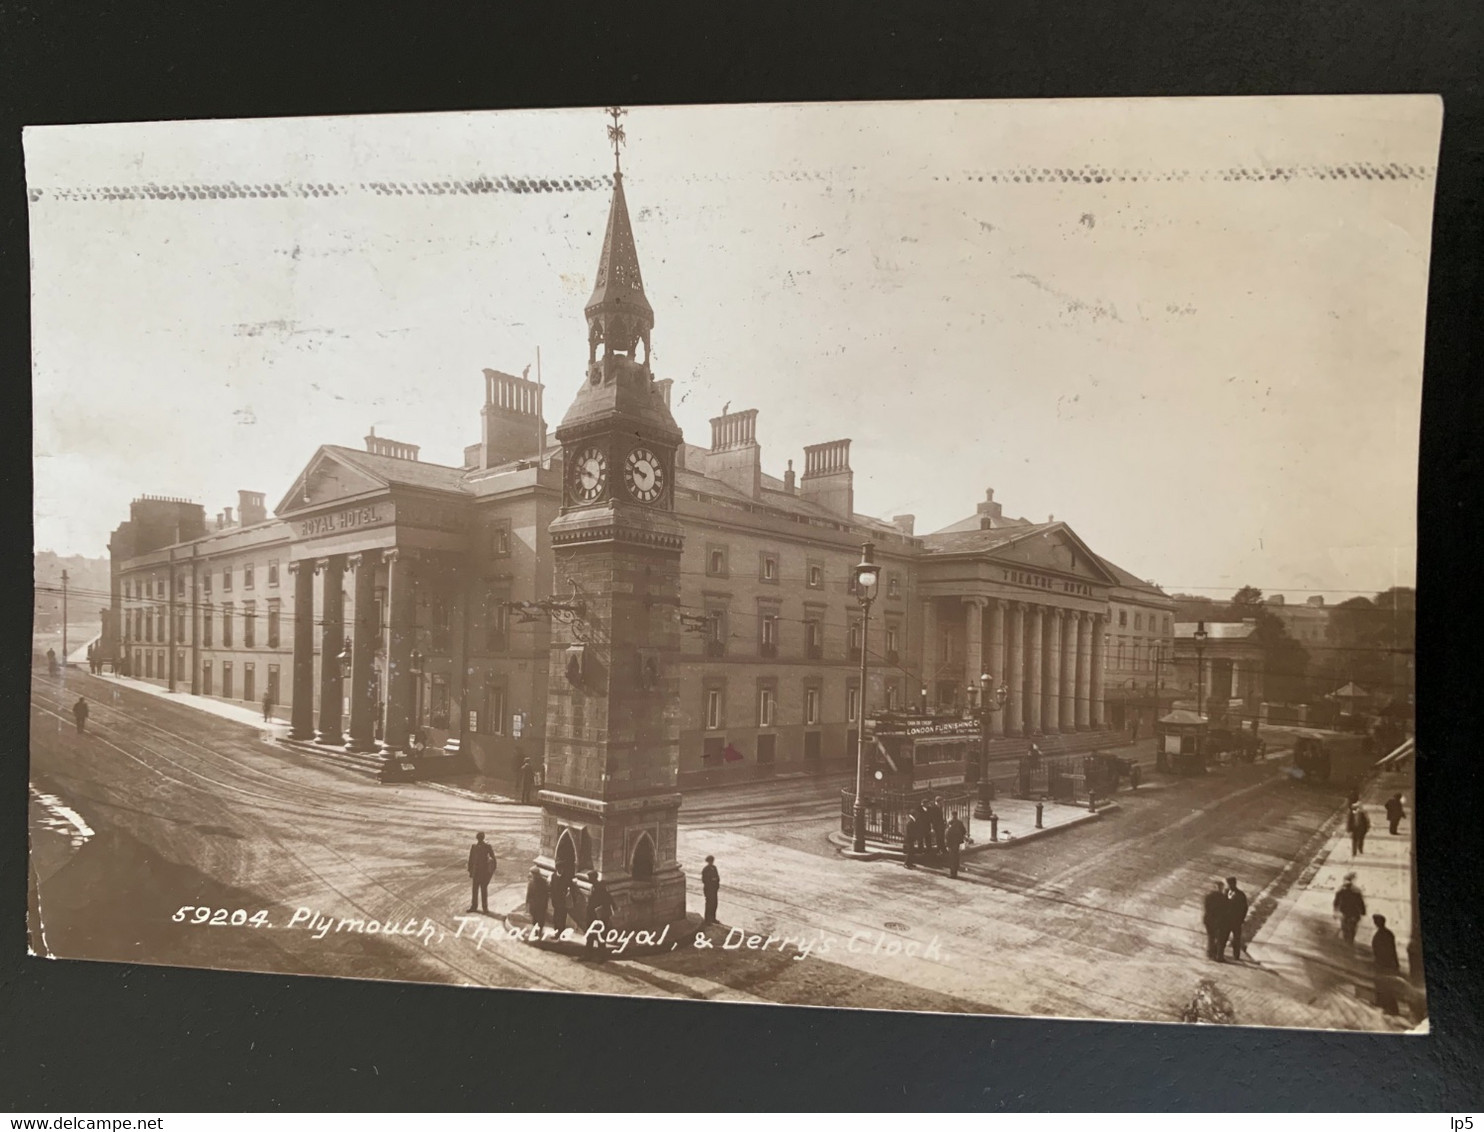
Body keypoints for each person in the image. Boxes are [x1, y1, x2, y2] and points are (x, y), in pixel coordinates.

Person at [1371, 913, 1401, 1015]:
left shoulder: (1379, 935)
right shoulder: (1389, 933)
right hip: (1388, 963)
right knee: (1388, 985)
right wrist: (1396, 963)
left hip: (1382, 964)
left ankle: (1386, 1006)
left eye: (1375, 921)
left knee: (1382, 984)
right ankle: (1390, 1007)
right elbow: (1393, 950)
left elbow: (1378, 951)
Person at [466, 832, 496, 914]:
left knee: (481, 890)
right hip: (478, 872)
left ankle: (480, 907)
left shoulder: (485, 846)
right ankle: (480, 907)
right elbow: (471, 859)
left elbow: (492, 859)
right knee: (477, 890)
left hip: (483, 872)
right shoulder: (475, 846)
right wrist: (470, 870)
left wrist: (470, 870)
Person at [584, 871, 613, 956]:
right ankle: (588, 954)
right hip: (591, 915)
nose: (588, 879)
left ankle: (601, 956)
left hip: (598, 917)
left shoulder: (600, 888)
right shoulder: (593, 887)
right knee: (590, 936)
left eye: (589, 877)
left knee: (600, 936)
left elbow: (607, 900)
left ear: (593, 878)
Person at [1334, 873, 1367, 945]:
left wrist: (1335, 911)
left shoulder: (1341, 891)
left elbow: (1336, 902)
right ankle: (1350, 940)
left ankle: (1347, 940)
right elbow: (1360, 902)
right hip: (1353, 913)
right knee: (1352, 927)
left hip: (1345, 912)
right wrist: (1363, 911)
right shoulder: (1356, 891)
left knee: (1345, 926)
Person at [1223, 876, 1249, 961]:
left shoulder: (1240, 895)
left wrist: (1241, 919)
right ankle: (1220, 953)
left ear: (1234, 884)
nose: (1228, 886)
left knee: (1236, 939)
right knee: (1224, 936)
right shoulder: (1226, 892)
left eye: (1230, 884)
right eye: (1228, 884)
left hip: (1236, 921)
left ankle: (1236, 955)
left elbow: (1245, 908)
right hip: (1226, 920)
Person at [1203, 879, 1229, 961]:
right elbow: (1225, 909)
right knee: (1219, 937)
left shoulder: (1208, 896)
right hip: (1217, 920)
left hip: (1208, 919)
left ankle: (1210, 952)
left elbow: (1207, 908)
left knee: (1211, 936)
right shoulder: (1223, 898)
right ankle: (1216, 954)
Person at [525, 866, 549, 938]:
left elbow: (546, 894)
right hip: (534, 905)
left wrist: (545, 903)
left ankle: (539, 933)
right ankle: (536, 933)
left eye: (533, 874)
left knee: (540, 920)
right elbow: (528, 895)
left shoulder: (543, 882)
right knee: (535, 919)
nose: (532, 875)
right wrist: (527, 903)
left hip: (540, 905)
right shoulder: (532, 883)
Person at [944, 810, 967, 879]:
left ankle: (952, 874)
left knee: (952, 858)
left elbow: (947, 835)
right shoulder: (959, 822)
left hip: (951, 843)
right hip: (957, 843)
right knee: (956, 858)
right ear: (956, 815)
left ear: (951, 815)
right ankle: (955, 873)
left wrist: (947, 844)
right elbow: (964, 831)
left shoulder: (949, 823)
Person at [549, 867, 571, 936]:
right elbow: (552, 888)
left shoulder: (566, 877)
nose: (561, 871)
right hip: (556, 901)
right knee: (556, 917)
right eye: (560, 869)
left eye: (562, 869)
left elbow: (569, 886)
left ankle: (561, 932)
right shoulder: (553, 876)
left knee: (562, 918)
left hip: (563, 902)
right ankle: (556, 931)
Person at [701, 855, 720, 924]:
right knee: (709, 904)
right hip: (708, 890)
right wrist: (712, 880)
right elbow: (704, 880)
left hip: (714, 889)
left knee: (714, 904)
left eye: (712, 861)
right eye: (710, 861)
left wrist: (715, 882)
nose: (711, 862)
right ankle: (707, 920)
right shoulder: (705, 869)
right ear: (708, 861)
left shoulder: (714, 868)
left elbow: (718, 878)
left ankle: (713, 918)